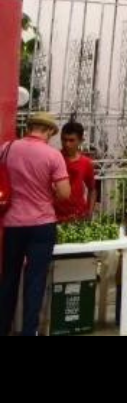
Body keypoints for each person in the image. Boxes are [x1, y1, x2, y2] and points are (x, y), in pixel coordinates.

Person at [0, 111, 72, 336]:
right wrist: (47, 192)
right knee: (35, 281)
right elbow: (64, 193)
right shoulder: (52, 156)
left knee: (9, 278)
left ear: (30, 127)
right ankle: (29, 332)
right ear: (49, 131)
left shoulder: (6, 149)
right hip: (41, 224)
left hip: (12, 223)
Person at [56, 121, 96, 223]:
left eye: (71, 140)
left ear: (81, 140)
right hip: (54, 215)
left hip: (78, 215)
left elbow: (92, 189)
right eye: (64, 140)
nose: (67, 144)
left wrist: (90, 212)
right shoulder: (54, 158)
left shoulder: (86, 163)